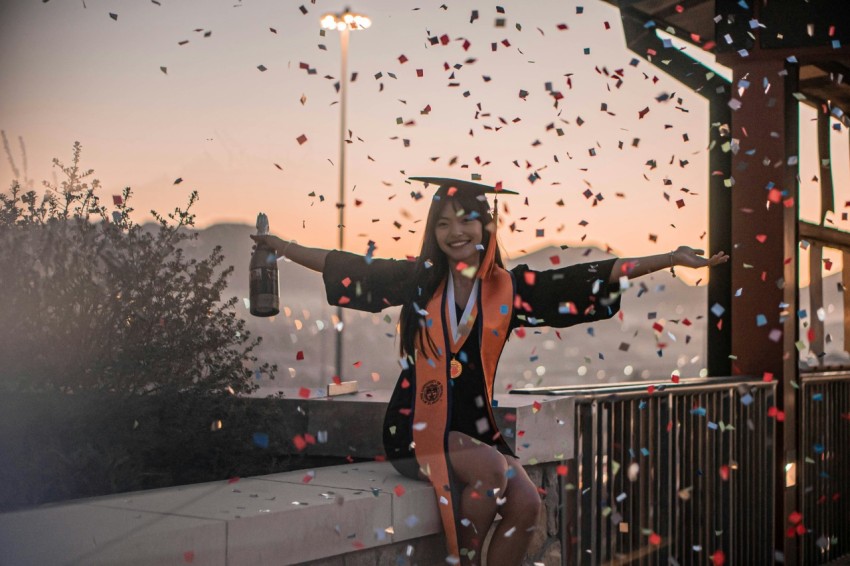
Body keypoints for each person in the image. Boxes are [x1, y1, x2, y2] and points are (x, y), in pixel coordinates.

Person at [251, 177, 728, 566]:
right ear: (432, 232)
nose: (455, 232)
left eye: (466, 221)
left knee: (528, 504)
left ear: (486, 226)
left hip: (474, 429)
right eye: (443, 224)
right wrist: (283, 247)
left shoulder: (507, 290)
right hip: (415, 424)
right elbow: (350, 267)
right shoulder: (419, 280)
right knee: (492, 470)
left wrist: (667, 259)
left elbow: (584, 279)